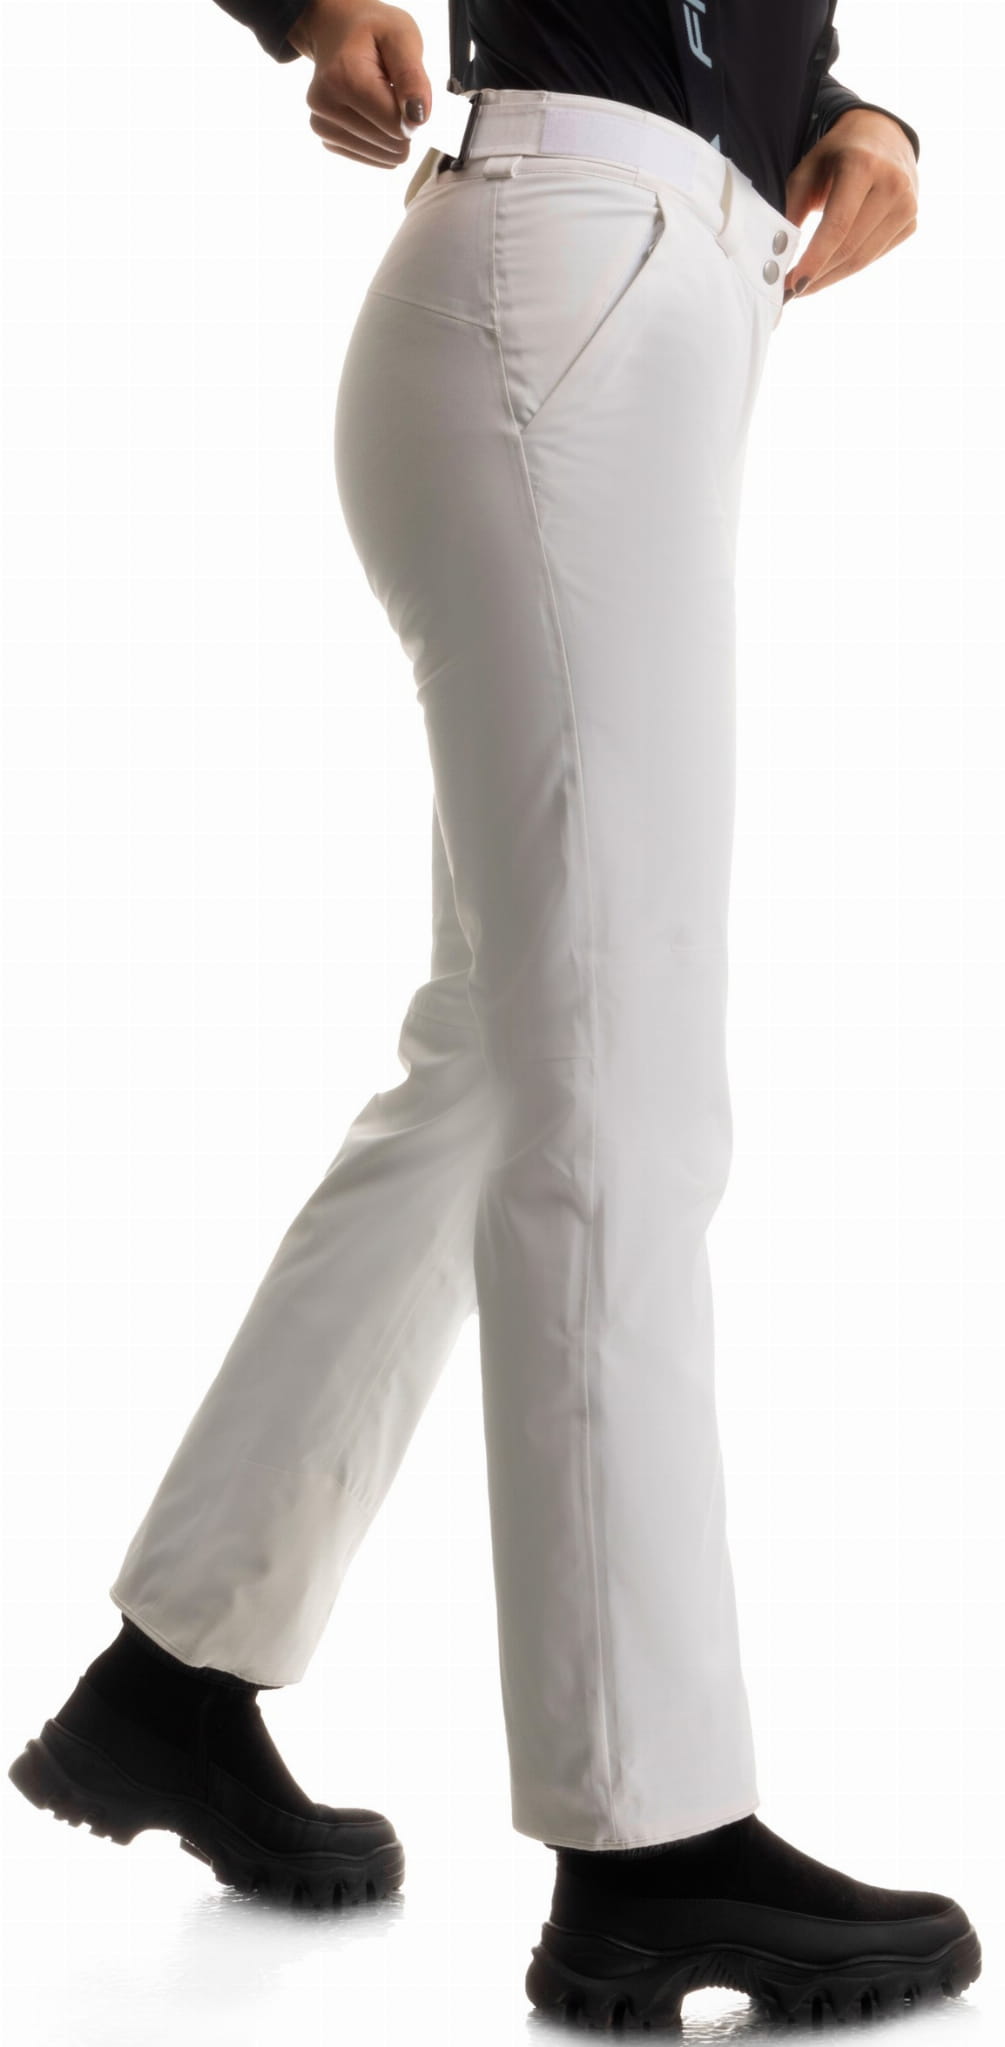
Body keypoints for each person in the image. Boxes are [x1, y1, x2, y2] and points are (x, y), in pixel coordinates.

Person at [8, 0, 982, 2026]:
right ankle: (645, 1844)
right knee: (613, 1077)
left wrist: (846, 110)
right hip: (576, 270)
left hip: (634, 284)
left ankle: (174, 1678)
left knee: (499, 1065)